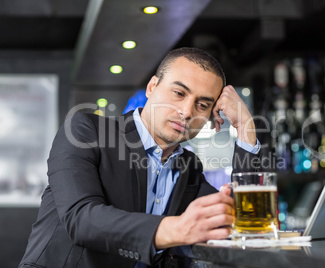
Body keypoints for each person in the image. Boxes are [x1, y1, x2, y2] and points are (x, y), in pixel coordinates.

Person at [19, 47, 262, 268]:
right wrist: (176, 229)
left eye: (202, 105)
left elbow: (246, 221)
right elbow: (81, 219)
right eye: (179, 93)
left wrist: (245, 127)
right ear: (152, 87)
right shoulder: (86, 131)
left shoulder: (189, 166)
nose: (187, 112)